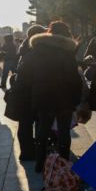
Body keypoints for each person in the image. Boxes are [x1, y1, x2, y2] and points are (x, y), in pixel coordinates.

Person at [18, 21, 82, 172]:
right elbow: (74, 78)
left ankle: (39, 164)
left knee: (42, 129)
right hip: (63, 96)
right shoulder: (67, 52)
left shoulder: (36, 49)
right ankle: (64, 162)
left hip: (42, 95)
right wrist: (76, 99)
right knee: (63, 131)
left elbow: (24, 73)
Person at [14, 25, 46, 161]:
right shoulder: (37, 50)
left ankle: (26, 152)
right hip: (33, 92)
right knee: (38, 123)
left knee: (25, 124)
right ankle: (34, 151)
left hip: (22, 92)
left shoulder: (24, 48)